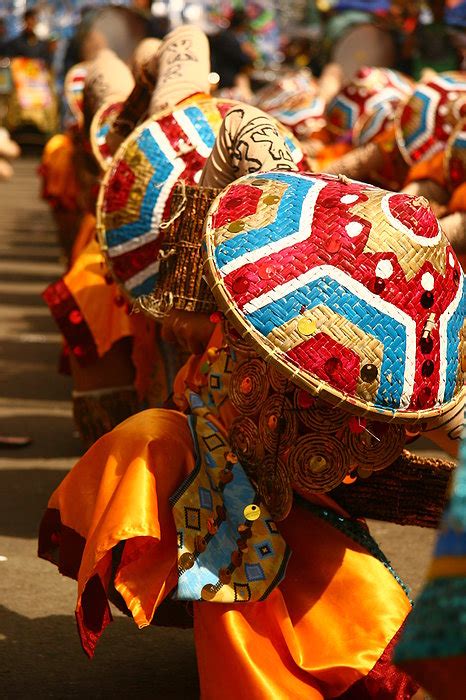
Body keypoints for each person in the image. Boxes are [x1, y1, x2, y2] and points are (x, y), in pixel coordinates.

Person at [38, 97, 464, 698]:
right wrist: (201, 227)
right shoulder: (259, 259)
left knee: (307, 606)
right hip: (206, 474)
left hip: (296, 507)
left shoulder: (359, 360)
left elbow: (446, 423)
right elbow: (240, 128)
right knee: (149, 442)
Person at [209, 9, 255, 91]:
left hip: (221, 77)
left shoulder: (226, 35)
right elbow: (242, 59)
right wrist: (251, 55)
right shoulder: (228, 38)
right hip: (225, 80)